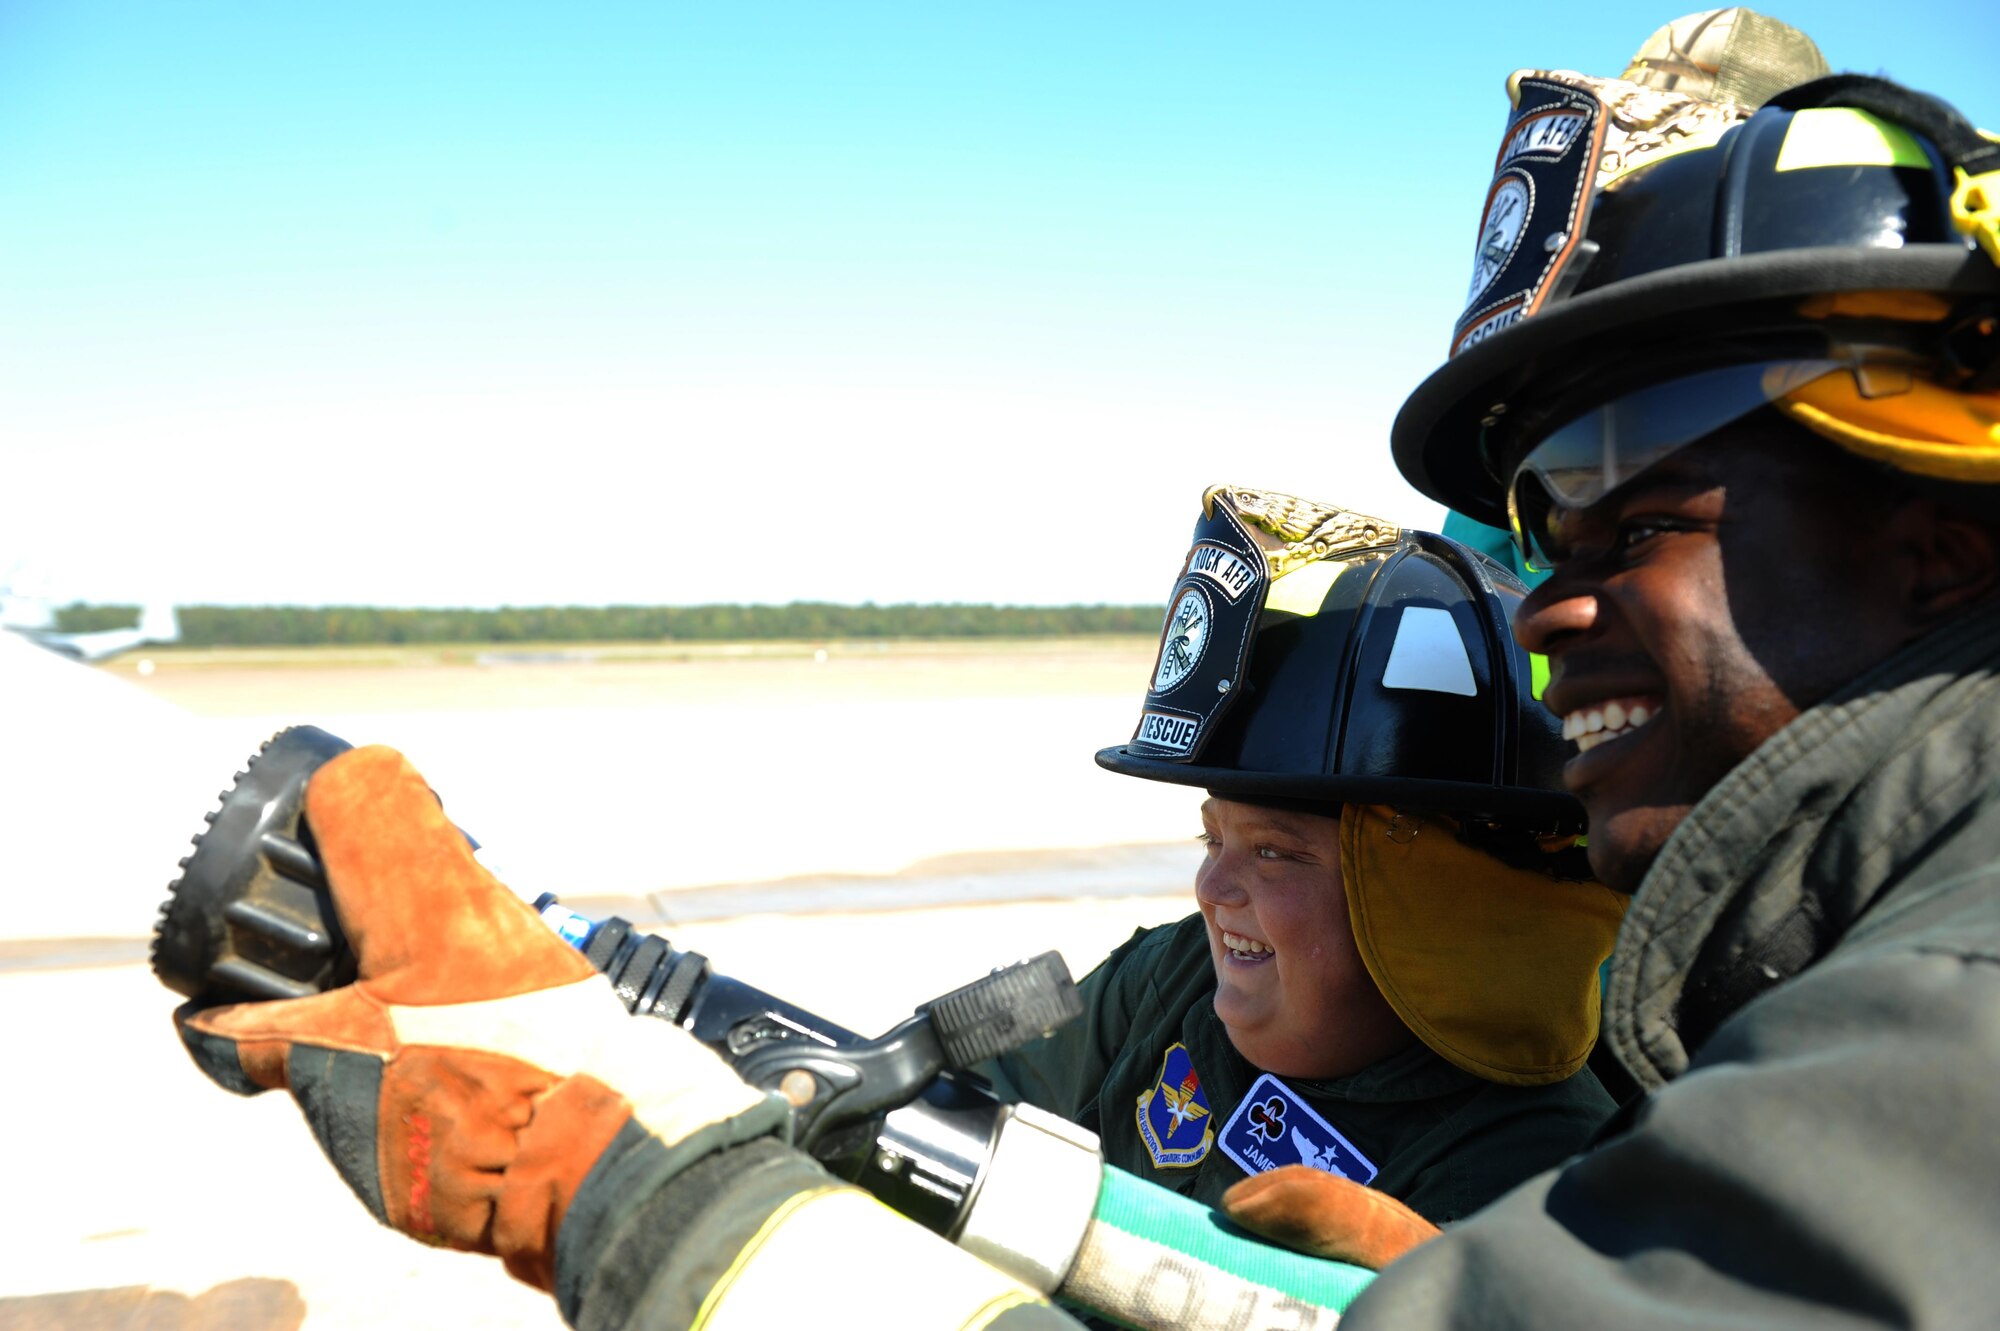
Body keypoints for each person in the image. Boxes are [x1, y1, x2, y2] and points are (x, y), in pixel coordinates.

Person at [979, 484, 1623, 1225]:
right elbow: (985, 1085)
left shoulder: (1543, 1179)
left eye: (1274, 852)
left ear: (1444, 899)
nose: (1211, 887)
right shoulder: (1173, 974)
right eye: (1211, 837)